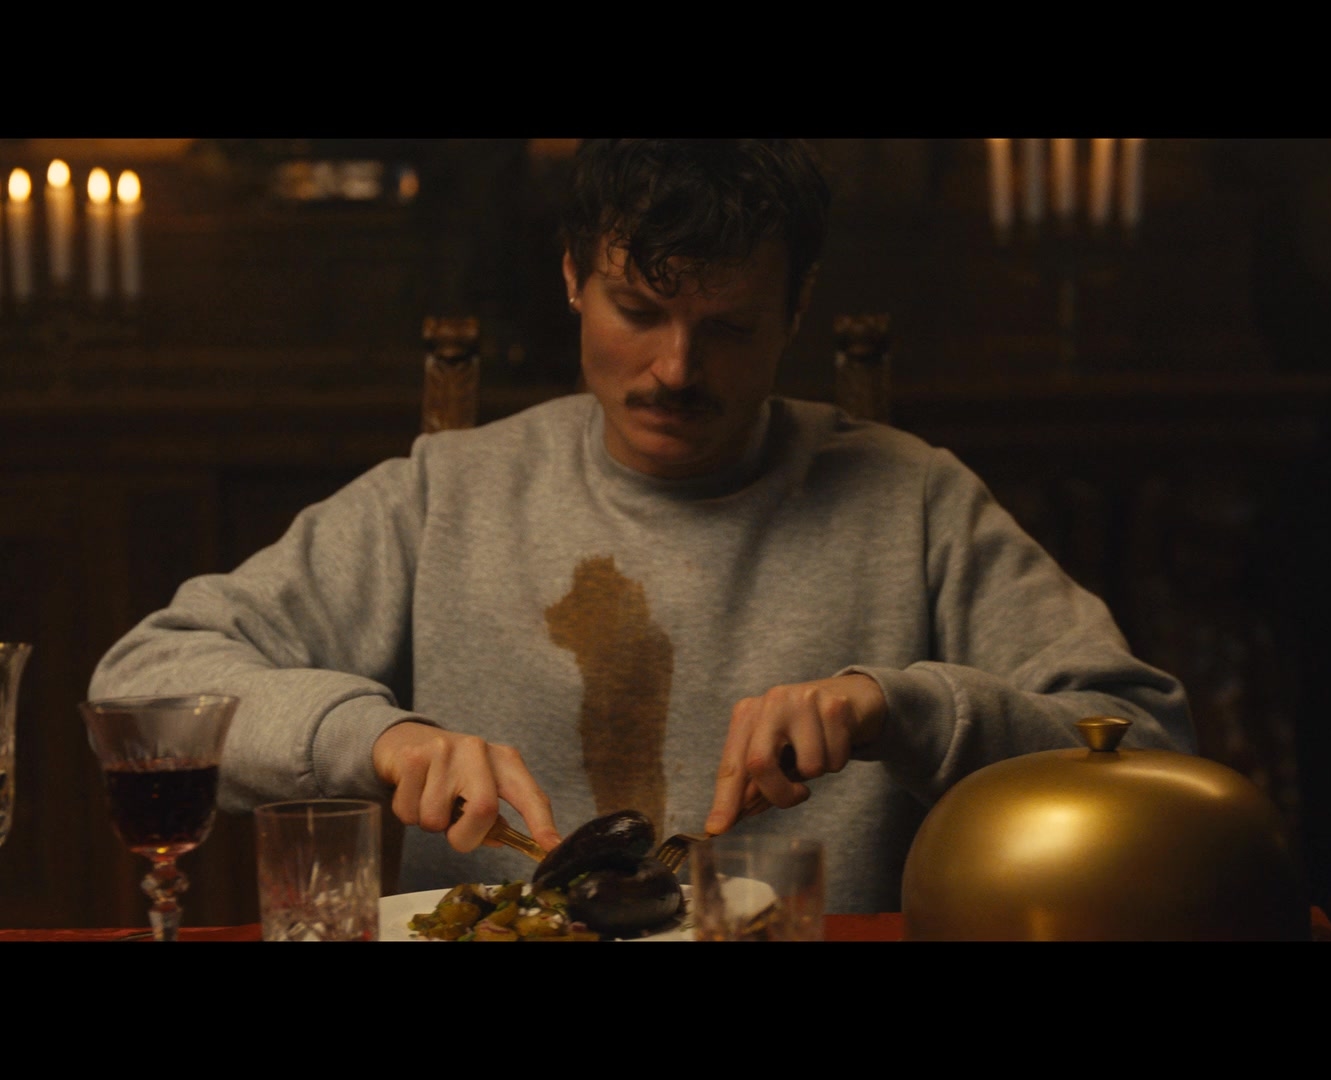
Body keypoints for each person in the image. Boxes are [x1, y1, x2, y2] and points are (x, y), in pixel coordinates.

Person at [88, 139, 1192, 913]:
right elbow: (142, 683)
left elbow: (1144, 743)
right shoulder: (446, 492)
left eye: (729, 327)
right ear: (574, 279)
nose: (675, 368)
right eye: (639, 311)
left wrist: (902, 709)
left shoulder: (915, 499)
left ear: (797, 309)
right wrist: (377, 742)